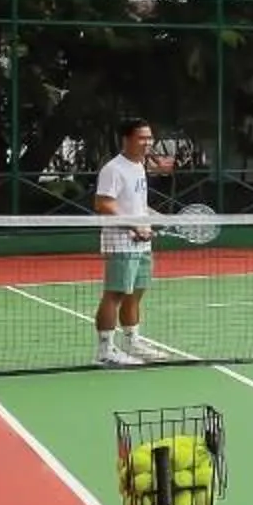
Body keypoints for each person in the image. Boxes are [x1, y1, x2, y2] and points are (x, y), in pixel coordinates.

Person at [92, 117, 163, 366]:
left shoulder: (139, 166)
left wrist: (153, 217)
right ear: (127, 139)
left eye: (149, 138)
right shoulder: (114, 168)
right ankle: (105, 351)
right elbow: (103, 203)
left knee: (136, 293)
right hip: (120, 240)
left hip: (141, 242)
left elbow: (136, 204)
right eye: (142, 138)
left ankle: (132, 342)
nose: (148, 143)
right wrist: (134, 225)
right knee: (115, 294)